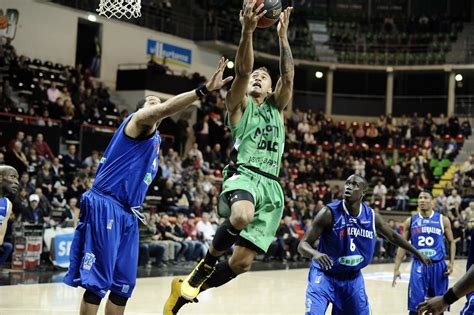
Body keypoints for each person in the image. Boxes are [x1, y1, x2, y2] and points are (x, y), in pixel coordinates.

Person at [63, 58, 232, 315]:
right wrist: (203, 90)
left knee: (123, 287)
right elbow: (160, 110)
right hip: (106, 205)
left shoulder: (154, 141)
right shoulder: (137, 122)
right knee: (98, 284)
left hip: (128, 214)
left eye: (158, 101)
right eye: (152, 102)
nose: (158, 104)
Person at [164, 2, 294, 314]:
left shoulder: (276, 108)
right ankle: (202, 268)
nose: (260, 77)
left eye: (265, 75)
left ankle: (183, 292)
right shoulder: (238, 104)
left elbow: (287, 77)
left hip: (272, 188)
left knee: (241, 263)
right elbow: (244, 70)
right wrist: (248, 31)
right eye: (256, 76)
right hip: (245, 175)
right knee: (240, 217)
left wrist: (283, 38)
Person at [297, 174, 431, 315]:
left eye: (355, 185)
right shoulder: (328, 213)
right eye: (348, 183)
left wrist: (417, 252)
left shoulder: (371, 216)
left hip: (352, 278)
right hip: (324, 275)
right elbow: (302, 245)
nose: (349, 186)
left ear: (363, 193)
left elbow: (392, 236)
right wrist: (315, 253)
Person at [392, 190, 456, 315]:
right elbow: (402, 245)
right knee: (416, 307)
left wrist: (451, 263)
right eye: (420, 197)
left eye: (425, 197)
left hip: (438, 266)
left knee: (438, 306)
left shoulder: (443, 220)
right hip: (419, 266)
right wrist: (396, 268)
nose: (422, 200)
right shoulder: (410, 221)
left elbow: (451, 242)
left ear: (432, 201)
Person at [0, 166, 17, 268]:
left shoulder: (7, 204)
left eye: (17, 178)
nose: (16, 182)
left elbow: (1, 234)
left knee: (7, 246)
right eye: (12, 177)